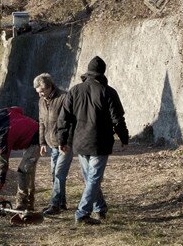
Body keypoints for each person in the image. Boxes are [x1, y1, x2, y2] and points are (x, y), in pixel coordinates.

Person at [55, 56, 128, 226]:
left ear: (88, 72)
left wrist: (62, 140)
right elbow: (117, 119)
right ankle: (82, 213)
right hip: (100, 142)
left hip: (79, 142)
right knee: (93, 178)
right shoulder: (108, 92)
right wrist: (123, 137)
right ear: (102, 72)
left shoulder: (74, 90)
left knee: (90, 178)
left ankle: (100, 208)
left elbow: (63, 118)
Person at [0, 105, 41, 212]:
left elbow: (2, 163)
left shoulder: (2, 136)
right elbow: (18, 109)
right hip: (36, 130)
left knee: (23, 171)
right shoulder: (1, 111)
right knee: (28, 172)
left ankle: (22, 204)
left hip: (36, 140)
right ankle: (30, 204)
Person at [34, 72, 72, 216]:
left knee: (59, 173)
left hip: (65, 143)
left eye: (42, 91)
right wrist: (42, 142)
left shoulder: (64, 97)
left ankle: (54, 204)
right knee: (54, 173)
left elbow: (69, 121)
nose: (40, 95)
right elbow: (41, 122)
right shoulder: (41, 101)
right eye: (38, 92)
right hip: (51, 143)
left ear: (50, 87)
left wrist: (66, 141)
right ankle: (61, 202)